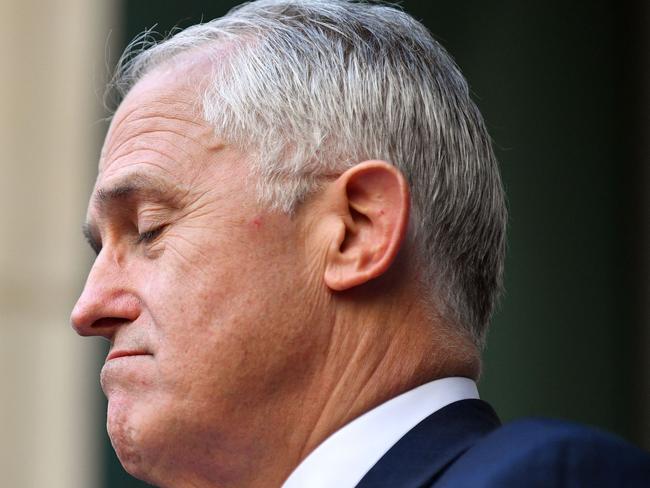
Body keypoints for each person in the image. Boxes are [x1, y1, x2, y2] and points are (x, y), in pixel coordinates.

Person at [71, 1, 650, 487]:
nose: (87, 309)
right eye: (101, 250)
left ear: (357, 231)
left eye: (149, 228)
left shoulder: (548, 478)